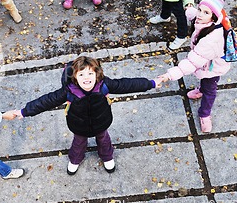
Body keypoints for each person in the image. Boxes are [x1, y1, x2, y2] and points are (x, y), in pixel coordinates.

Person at [14, 56, 162, 175]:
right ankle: (75, 159)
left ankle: (107, 156)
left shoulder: (104, 85)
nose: (87, 78)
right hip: (79, 125)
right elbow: (45, 101)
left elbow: (127, 85)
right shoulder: (68, 91)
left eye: (90, 73)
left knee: (104, 139)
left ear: (97, 74)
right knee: (78, 143)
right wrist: (24, 111)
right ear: (75, 77)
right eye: (82, 74)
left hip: (101, 122)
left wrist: (151, 83)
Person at [158, 0, 230, 133]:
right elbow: (193, 15)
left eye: (206, 13)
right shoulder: (205, 21)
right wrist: (189, 7)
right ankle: (200, 90)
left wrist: (169, 75)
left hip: (213, 68)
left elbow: (192, 61)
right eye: (200, 9)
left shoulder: (211, 40)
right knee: (204, 81)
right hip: (206, 63)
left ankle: (205, 114)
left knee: (210, 90)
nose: (200, 15)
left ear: (214, 17)